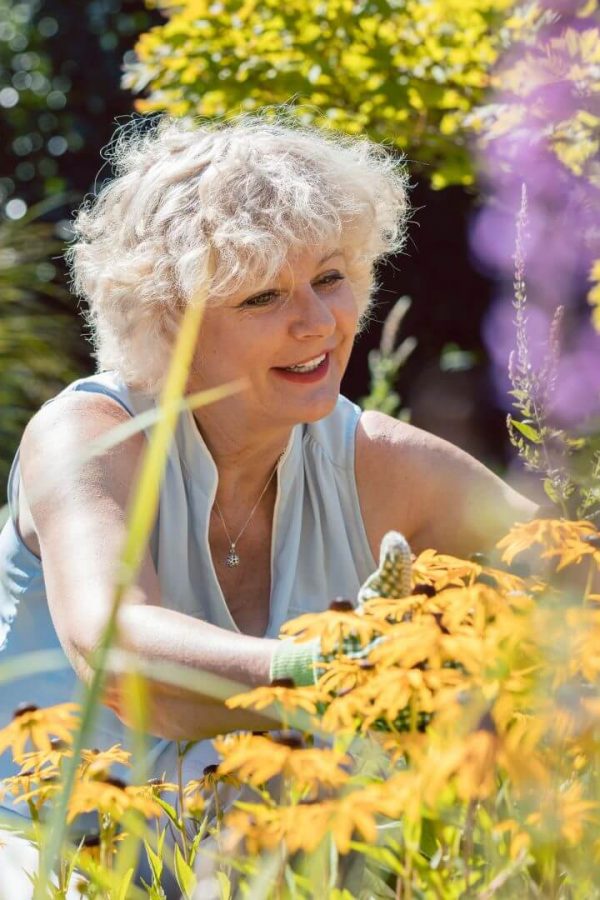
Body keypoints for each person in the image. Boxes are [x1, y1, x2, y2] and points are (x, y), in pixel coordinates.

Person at [0, 114, 535, 889]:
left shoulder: (378, 462)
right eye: (262, 297)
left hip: (270, 866)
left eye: (330, 277)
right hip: (50, 863)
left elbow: (569, 588)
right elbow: (117, 655)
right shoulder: (89, 437)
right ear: (167, 319)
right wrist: (343, 678)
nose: (318, 323)